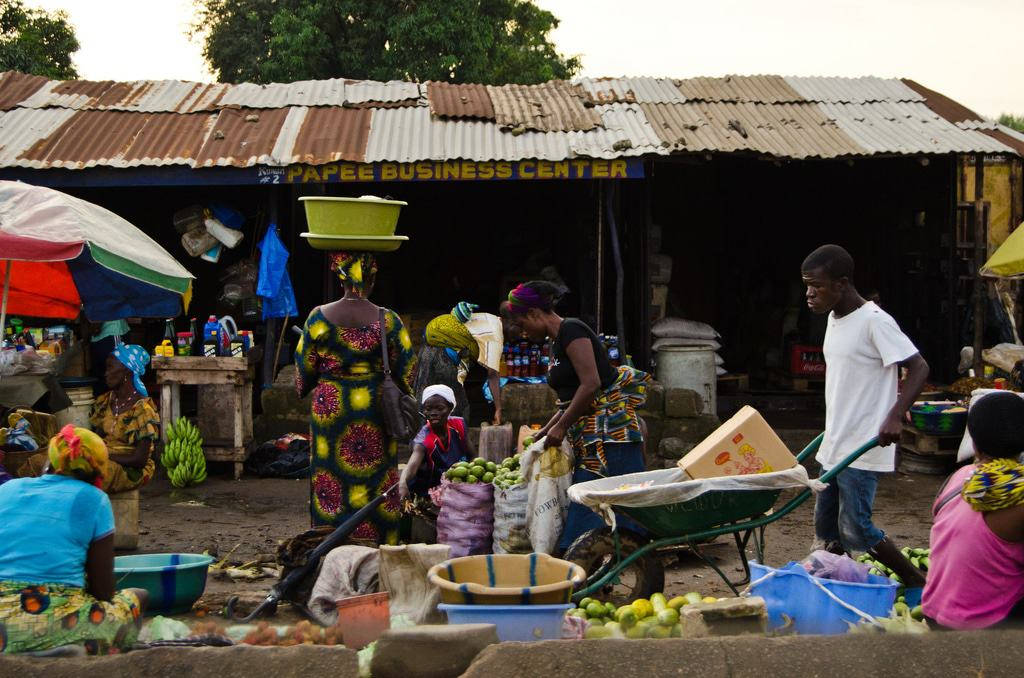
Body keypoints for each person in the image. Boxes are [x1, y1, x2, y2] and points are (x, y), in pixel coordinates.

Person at [801, 244, 928, 587]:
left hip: (864, 442)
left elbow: (918, 366)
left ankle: (917, 582)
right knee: (827, 530)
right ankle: (838, 587)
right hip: (835, 442)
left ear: (842, 284)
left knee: (856, 527)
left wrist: (896, 415)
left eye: (817, 286)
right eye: (806, 286)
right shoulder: (833, 318)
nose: (809, 294)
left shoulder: (875, 321)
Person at [504, 281, 650, 552]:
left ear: (536, 313)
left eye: (523, 323)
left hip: (610, 432)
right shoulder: (556, 342)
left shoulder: (571, 330)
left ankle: (601, 563)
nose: (522, 332)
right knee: (602, 504)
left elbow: (591, 383)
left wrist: (560, 428)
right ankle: (610, 563)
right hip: (591, 434)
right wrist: (547, 429)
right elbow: (569, 399)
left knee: (607, 503)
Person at [295, 251, 415, 544]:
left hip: (330, 410)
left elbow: (304, 371)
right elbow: (408, 371)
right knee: (375, 481)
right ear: (372, 278)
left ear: (340, 277)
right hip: (374, 410)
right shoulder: (389, 320)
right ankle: (376, 546)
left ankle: (330, 548)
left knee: (330, 478)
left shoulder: (317, 318)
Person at [0, 425, 147, 654]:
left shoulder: (7, 489)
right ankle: (88, 646)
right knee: (138, 596)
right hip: (56, 623)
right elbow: (103, 591)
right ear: (98, 473)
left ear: (50, 462)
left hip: (2, 627)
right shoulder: (94, 499)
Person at [921, 392, 1024, 629]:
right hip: (981, 628)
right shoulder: (1018, 499)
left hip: (934, 614)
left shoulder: (957, 479)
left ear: (974, 444)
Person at [20, 344, 160, 494]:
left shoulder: (143, 410)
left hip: (129, 469)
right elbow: (96, 438)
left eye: (110, 368)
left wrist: (101, 456)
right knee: (40, 460)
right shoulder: (106, 401)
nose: (106, 373)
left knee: (81, 474)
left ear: (126, 370)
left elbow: (139, 460)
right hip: (102, 456)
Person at [413, 302, 504, 424]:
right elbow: (492, 374)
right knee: (455, 406)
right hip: (444, 359)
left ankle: (421, 437)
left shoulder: (486, 318)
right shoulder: (495, 334)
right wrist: (498, 408)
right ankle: (454, 439)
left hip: (426, 349)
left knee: (424, 399)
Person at [399, 384, 476, 501]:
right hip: (430, 490)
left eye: (439, 408)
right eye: (428, 409)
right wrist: (402, 483)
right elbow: (412, 466)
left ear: (450, 408)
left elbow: (473, 455)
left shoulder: (458, 424)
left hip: (455, 483)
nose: (433, 413)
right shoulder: (423, 439)